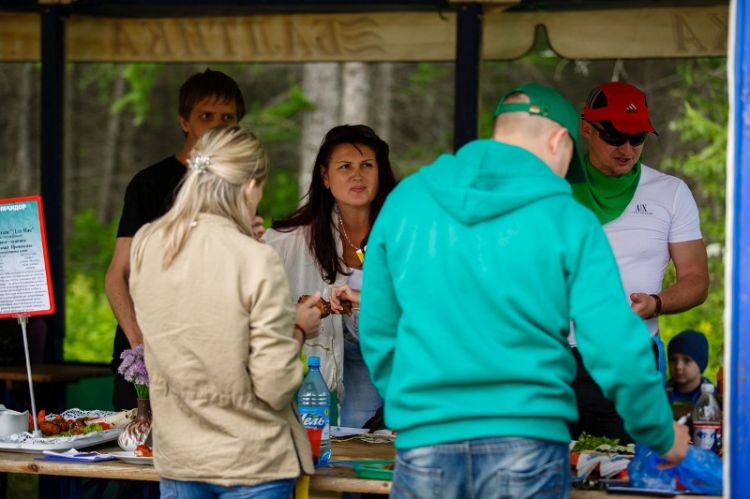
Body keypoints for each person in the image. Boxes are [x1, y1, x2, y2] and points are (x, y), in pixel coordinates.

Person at [358, 83, 688, 499]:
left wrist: (415, 402)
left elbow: (378, 326)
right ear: (558, 140)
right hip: (527, 440)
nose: (563, 180)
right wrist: (660, 431)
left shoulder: (407, 201)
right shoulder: (567, 218)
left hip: (425, 441)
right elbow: (612, 342)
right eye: (567, 165)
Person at [129, 125, 318, 497]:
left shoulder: (146, 245)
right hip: (252, 460)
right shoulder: (257, 259)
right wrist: (297, 329)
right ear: (250, 187)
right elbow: (275, 386)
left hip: (179, 456)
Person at [569, 81, 709, 442]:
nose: (627, 148)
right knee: (540, 464)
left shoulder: (670, 192)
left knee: (627, 465)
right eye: (615, 136)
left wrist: (656, 303)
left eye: (638, 138)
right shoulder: (553, 187)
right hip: (549, 356)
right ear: (587, 128)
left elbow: (696, 279)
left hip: (627, 358)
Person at [105, 69, 249, 411]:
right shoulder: (149, 184)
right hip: (149, 355)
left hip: (213, 359)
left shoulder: (240, 188)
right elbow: (116, 276)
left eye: (227, 118)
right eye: (206, 116)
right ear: (184, 121)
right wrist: (139, 345)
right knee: (140, 442)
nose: (217, 126)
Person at [264, 124, 398, 428]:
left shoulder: (403, 229)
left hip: (401, 363)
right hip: (343, 365)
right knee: (355, 440)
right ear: (325, 177)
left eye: (367, 165)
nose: (357, 175)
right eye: (345, 166)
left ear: (380, 172)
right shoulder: (290, 239)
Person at [666, 329, 715, 420]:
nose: (678, 366)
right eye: (673, 360)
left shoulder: (715, 398)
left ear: (701, 364)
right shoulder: (660, 395)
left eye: (686, 360)